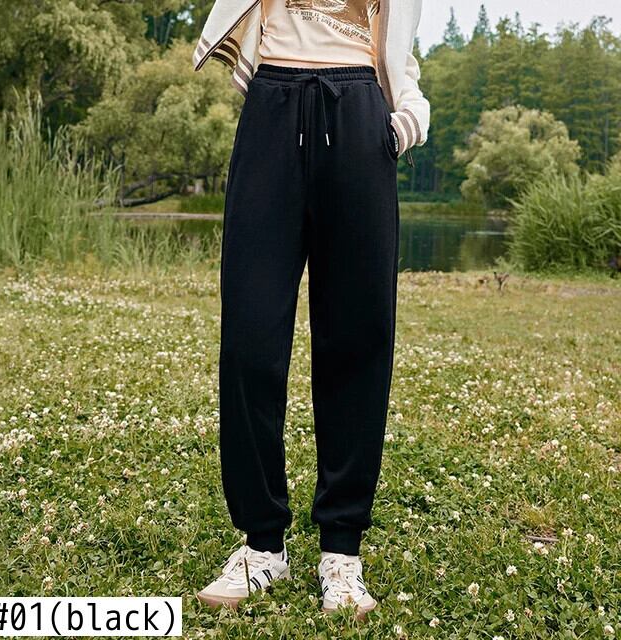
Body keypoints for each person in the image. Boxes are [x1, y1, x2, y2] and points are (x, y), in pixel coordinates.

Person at [192, 0, 430, 618]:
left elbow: (397, 39)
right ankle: (262, 545)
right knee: (249, 340)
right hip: (272, 103)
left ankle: (341, 550)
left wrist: (407, 111)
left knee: (357, 337)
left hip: (359, 109)